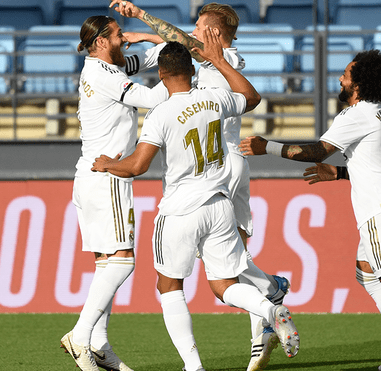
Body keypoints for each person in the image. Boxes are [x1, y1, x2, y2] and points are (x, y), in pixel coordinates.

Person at [92, 33, 299, 371]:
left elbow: (137, 166)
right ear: (191, 69)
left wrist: (106, 164)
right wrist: (219, 60)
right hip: (219, 206)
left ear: (161, 74)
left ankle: (193, 367)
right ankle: (270, 310)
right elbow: (251, 96)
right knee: (223, 286)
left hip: (179, 210)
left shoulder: (161, 113)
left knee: (169, 285)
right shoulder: (215, 98)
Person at [239, 49, 381, 371]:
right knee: (367, 274)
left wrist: (266, 147)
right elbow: (373, 164)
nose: (340, 79)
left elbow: (316, 151)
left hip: (380, 210)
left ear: (358, 84)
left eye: (345, 74)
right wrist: (340, 173)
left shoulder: (356, 114)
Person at [59, 15, 170, 371]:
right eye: (120, 35)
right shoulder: (104, 76)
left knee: (107, 263)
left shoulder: (106, 68)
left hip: (90, 175)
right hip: (107, 176)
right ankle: (80, 335)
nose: (125, 40)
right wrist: (182, 80)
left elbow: (157, 57)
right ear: (102, 41)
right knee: (124, 260)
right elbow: (154, 97)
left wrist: (147, 36)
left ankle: (99, 342)